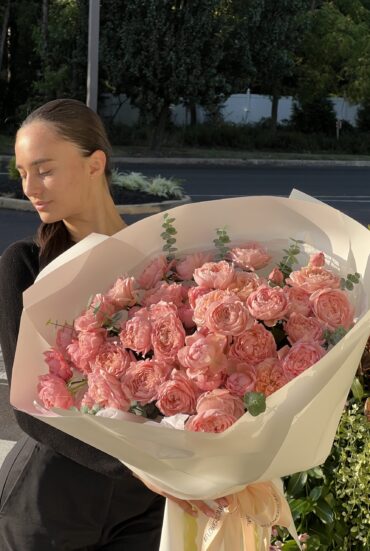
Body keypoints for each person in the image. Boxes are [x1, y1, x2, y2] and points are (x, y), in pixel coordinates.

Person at [0, 99, 226, 550]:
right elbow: (30, 409)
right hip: (51, 500)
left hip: (143, 507)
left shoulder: (166, 266)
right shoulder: (24, 265)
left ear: (94, 164)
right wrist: (142, 468)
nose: (30, 187)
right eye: (22, 173)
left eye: (43, 169)